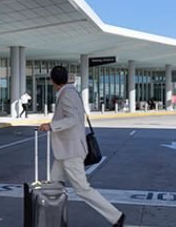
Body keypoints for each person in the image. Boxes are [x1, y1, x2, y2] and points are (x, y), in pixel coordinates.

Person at [39, 66, 124, 227]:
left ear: (52, 80)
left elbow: (73, 119)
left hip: (71, 152)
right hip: (64, 151)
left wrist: (51, 126)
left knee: (82, 189)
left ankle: (116, 217)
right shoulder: (69, 92)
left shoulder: (68, 95)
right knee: (53, 186)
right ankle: (53, 221)